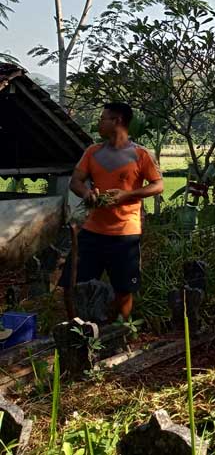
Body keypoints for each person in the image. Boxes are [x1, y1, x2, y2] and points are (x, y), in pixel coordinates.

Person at [60, 102, 164, 321]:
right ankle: (76, 329)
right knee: (71, 283)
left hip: (125, 234)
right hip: (92, 231)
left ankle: (121, 331)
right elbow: (75, 182)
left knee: (124, 290)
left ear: (117, 121)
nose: (99, 123)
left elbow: (158, 185)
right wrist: (87, 193)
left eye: (102, 119)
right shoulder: (92, 152)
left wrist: (126, 195)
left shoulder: (141, 155)